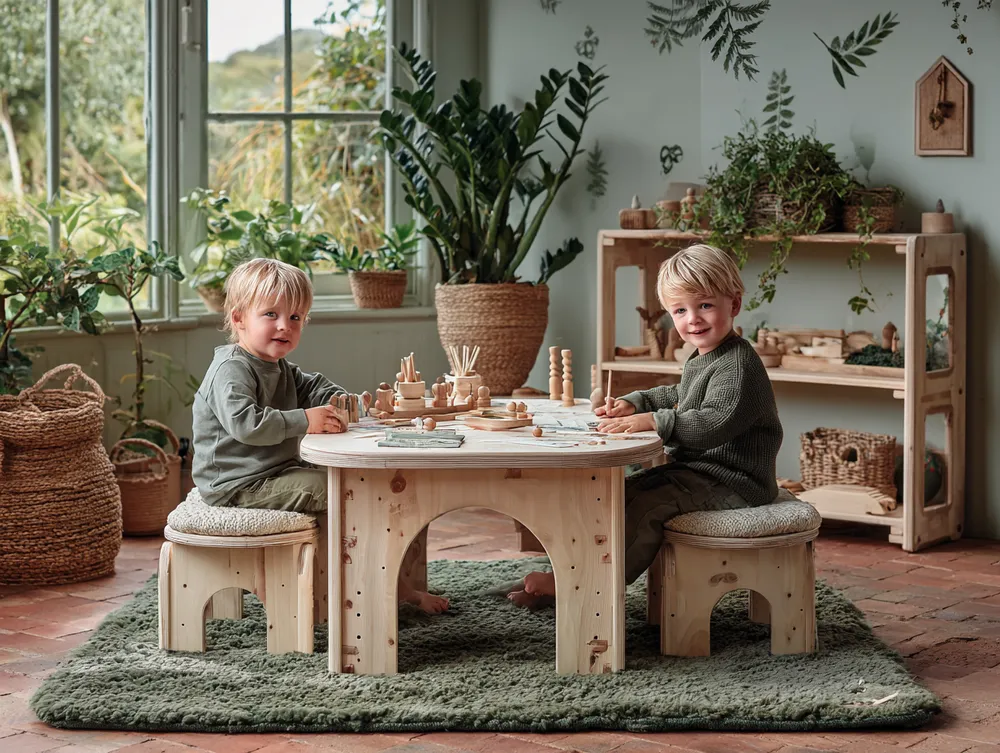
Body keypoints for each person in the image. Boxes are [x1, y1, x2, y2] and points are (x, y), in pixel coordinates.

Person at [506, 244, 783, 608]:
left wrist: (653, 419)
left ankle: (592, 586)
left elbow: (711, 423)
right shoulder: (706, 357)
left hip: (736, 482)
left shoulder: (738, 365)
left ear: (734, 304)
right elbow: (680, 394)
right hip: (700, 473)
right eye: (680, 310)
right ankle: (572, 572)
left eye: (705, 305)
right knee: (618, 494)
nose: (693, 319)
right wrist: (636, 401)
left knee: (647, 506)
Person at [191, 257, 448, 614]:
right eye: (271, 314)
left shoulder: (277, 366)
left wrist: (346, 402)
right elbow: (246, 424)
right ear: (238, 319)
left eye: (295, 317)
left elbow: (314, 387)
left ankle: (375, 579)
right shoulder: (231, 369)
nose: (284, 325)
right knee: (345, 490)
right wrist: (306, 421)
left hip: (272, 473)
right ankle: (371, 586)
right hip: (239, 483)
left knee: (361, 481)